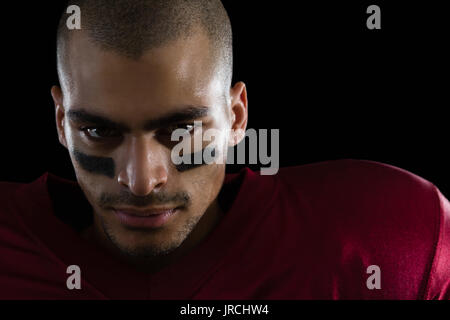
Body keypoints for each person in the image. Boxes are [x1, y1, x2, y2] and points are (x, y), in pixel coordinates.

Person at [0, 0, 448, 300]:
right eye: (98, 130)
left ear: (236, 117)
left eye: (181, 131)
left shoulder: (389, 241)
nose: (140, 181)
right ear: (61, 121)